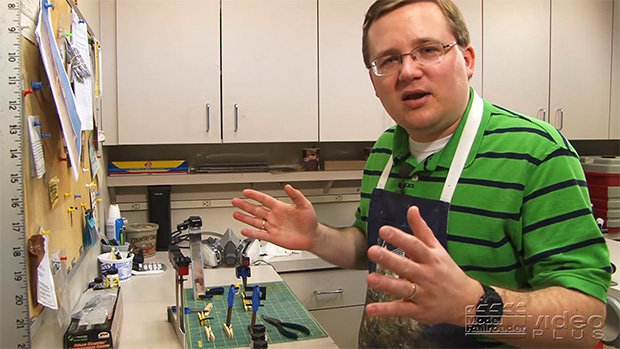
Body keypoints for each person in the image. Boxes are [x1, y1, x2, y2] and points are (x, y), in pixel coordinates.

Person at [232, 0, 612, 347]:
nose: (408, 71)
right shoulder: (384, 150)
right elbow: (371, 248)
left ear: (467, 59)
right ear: (374, 82)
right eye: (389, 60)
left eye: (428, 50)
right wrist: (316, 237)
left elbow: (586, 323)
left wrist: (475, 307)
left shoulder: (538, 154)